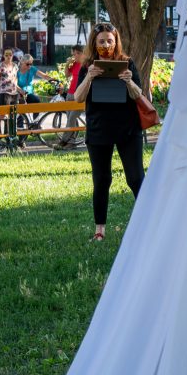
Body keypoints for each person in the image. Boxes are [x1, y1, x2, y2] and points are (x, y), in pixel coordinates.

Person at [73, 23, 146, 241]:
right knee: (102, 180)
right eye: (102, 41)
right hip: (99, 129)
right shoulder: (88, 66)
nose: (106, 45)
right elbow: (77, 97)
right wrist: (90, 77)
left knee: (136, 178)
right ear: (94, 44)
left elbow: (138, 95)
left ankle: (149, 225)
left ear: (116, 42)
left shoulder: (127, 63)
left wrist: (128, 81)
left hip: (128, 128)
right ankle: (99, 231)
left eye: (110, 41)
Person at [59, 45, 86, 147]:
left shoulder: (87, 65)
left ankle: (64, 141)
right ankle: (71, 142)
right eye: (74, 54)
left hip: (80, 95)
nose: (75, 56)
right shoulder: (74, 64)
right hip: (70, 93)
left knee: (72, 118)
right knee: (70, 118)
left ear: (83, 53)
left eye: (78, 53)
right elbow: (67, 75)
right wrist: (67, 65)